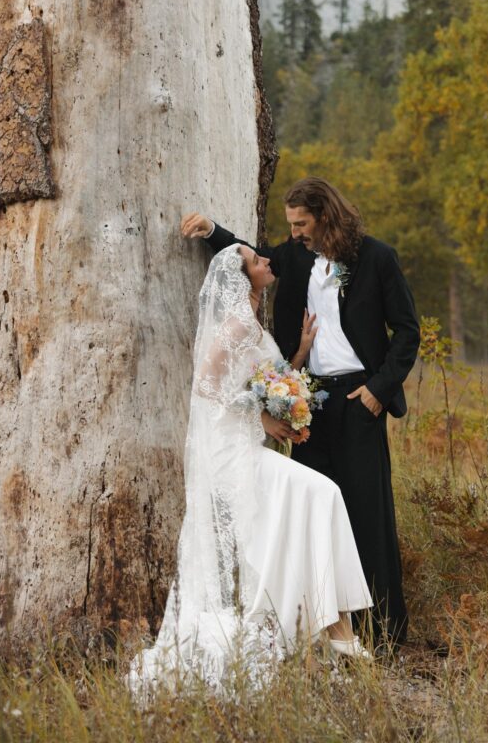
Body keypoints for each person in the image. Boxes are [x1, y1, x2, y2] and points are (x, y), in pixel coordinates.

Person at [181, 177, 420, 646]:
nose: (293, 233)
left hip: (359, 401)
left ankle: (384, 633)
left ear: (325, 217)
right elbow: (247, 257)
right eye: (291, 224)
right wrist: (211, 230)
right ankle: (322, 632)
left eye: (301, 223)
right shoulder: (295, 257)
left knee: (365, 513)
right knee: (313, 516)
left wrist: (377, 390)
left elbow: (407, 332)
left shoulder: (377, 259)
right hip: (307, 404)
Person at [127, 243, 372, 695]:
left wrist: (300, 354)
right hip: (229, 450)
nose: (266, 262)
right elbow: (204, 384)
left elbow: (273, 376)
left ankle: (330, 631)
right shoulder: (237, 322)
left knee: (313, 500)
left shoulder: (252, 322)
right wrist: (259, 417)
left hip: (248, 445)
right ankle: (333, 633)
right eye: (257, 261)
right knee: (321, 493)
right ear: (243, 278)